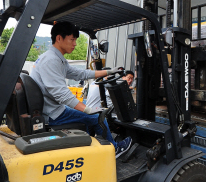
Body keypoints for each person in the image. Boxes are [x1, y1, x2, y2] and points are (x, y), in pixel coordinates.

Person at [31, 21, 132, 158]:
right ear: (59, 38)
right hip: (53, 113)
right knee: (97, 118)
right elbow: (61, 94)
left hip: (51, 108)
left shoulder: (54, 58)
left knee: (91, 114)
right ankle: (114, 150)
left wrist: (108, 72)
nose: (75, 44)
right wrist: (86, 109)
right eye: (72, 39)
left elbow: (81, 74)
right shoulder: (51, 60)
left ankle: (97, 146)